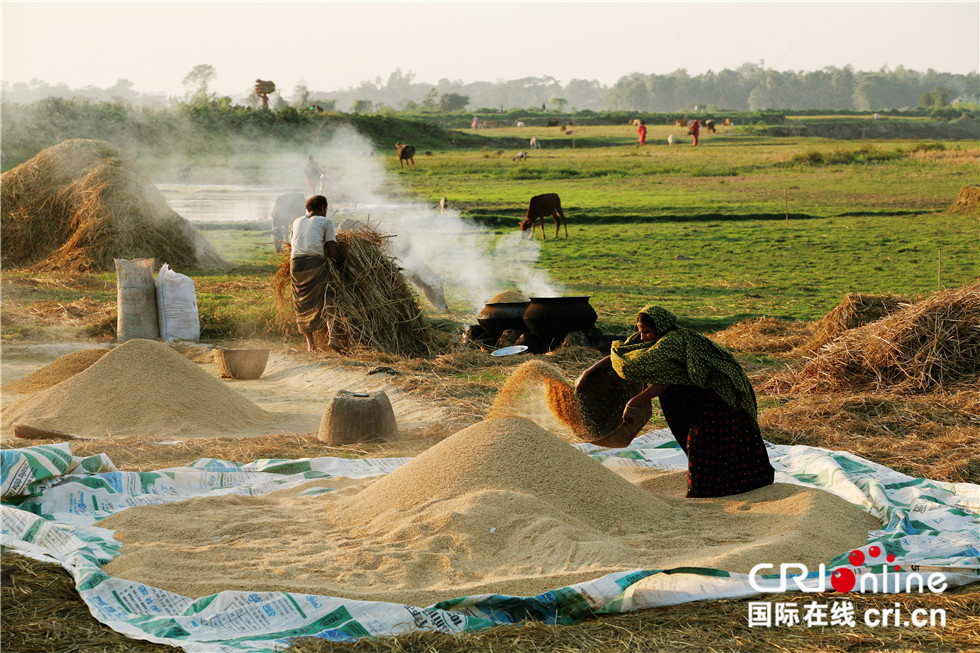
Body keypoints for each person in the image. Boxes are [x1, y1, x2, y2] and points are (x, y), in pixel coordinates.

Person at [575, 305, 774, 498]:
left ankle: (714, 490)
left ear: (660, 328)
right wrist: (588, 372)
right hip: (695, 398)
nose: (643, 337)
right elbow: (623, 353)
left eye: (647, 332)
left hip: (718, 395)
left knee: (705, 443)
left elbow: (663, 383)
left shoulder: (671, 342)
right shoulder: (653, 338)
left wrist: (633, 403)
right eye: (641, 331)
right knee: (704, 443)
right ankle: (720, 486)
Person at [289, 195, 345, 354]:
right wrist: (342, 264)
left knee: (301, 302)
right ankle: (333, 338)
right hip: (314, 262)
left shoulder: (297, 221)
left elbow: (294, 242)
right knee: (328, 296)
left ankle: (310, 345)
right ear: (323, 208)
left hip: (295, 265)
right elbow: (332, 251)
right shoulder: (326, 222)